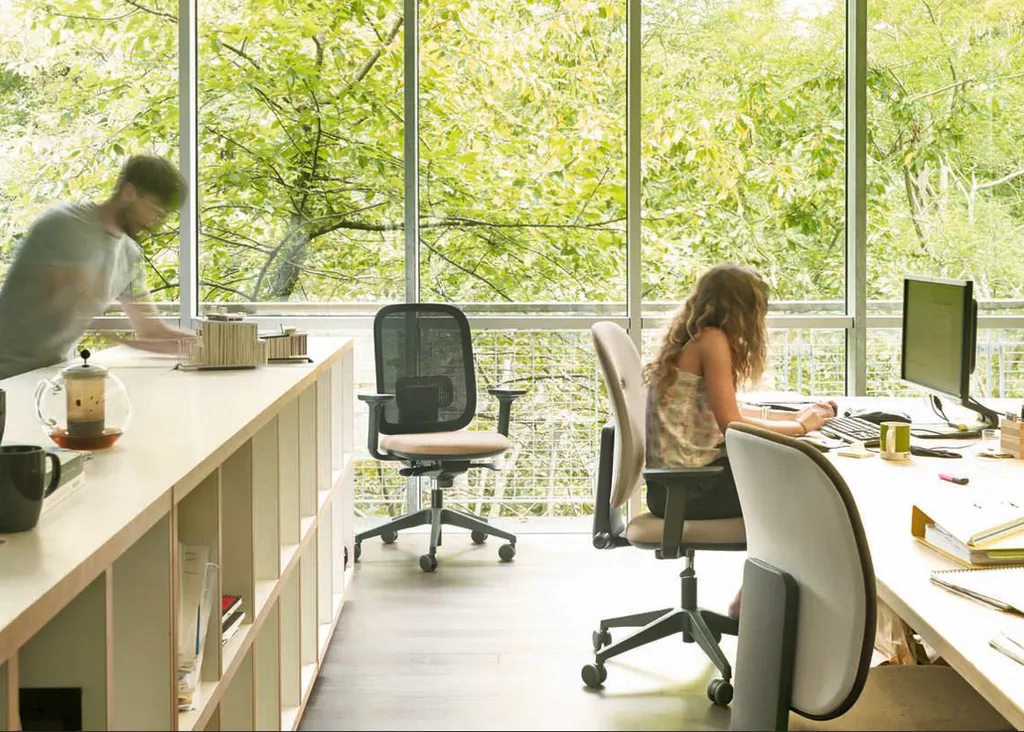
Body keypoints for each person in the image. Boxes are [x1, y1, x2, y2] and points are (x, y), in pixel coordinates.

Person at [642, 263, 837, 618]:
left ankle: (762, 597)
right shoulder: (713, 341)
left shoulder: (695, 339)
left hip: (679, 484)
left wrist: (797, 417)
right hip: (687, 489)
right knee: (806, 493)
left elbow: (731, 408)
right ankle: (752, 600)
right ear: (743, 310)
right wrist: (801, 428)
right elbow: (732, 423)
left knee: (792, 481)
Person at [0, 155, 194, 380]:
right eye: (154, 210)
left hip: (52, 374)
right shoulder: (62, 225)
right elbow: (61, 310)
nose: (154, 222)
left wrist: (208, 344)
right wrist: (119, 338)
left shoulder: (130, 254)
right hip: (8, 375)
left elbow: (152, 330)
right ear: (129, 193)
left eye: (162, 216)